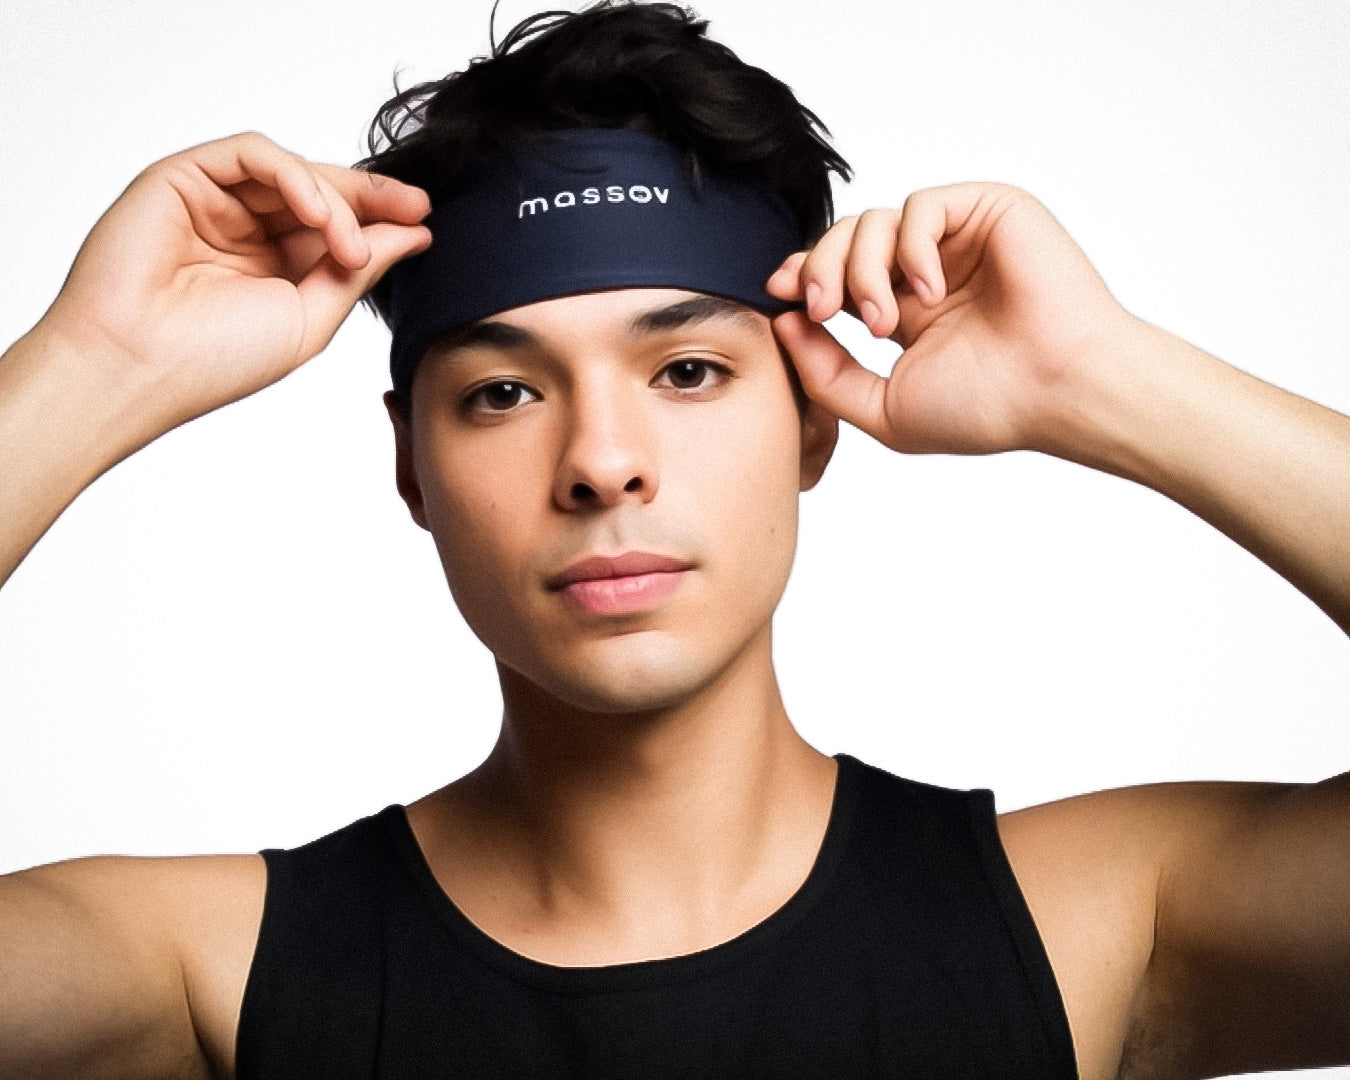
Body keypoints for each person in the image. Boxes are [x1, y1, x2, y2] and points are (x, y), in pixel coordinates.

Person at [1, 2, 1347, 1078]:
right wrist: (91, 367)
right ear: (410, 463)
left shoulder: (1089, 927)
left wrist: (1102, 377)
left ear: (814, 424)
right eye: (503, 392)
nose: (599, 462)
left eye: (688, 372)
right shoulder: (210, 972)